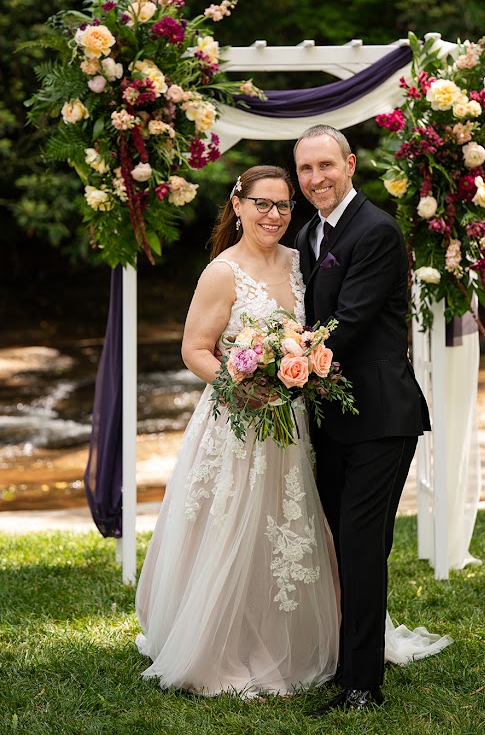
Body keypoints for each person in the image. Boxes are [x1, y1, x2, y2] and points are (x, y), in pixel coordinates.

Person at [135, 165, 340, 697]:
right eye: (263, 204)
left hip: (292, 419)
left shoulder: (302, 263)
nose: (274, 215)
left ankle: (298, 635)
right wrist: (239, 383)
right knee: (233, 524)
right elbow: (194, 350)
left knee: (288, 522)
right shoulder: (222, 272)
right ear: (239, 205)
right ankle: (220, 642)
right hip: (237, 420)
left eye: (284, 206)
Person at [294, 124, 434, 715]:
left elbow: (347, 321)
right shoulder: (308, 233)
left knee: (358, 541)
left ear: (350, 164)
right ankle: (353, 660)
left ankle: (360, 685)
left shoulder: (376, 231)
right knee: (352, 542)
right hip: (331, 416)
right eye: (305, 170)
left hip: (379, 414)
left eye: (326, 165)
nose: (316, 179)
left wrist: (282, 359)